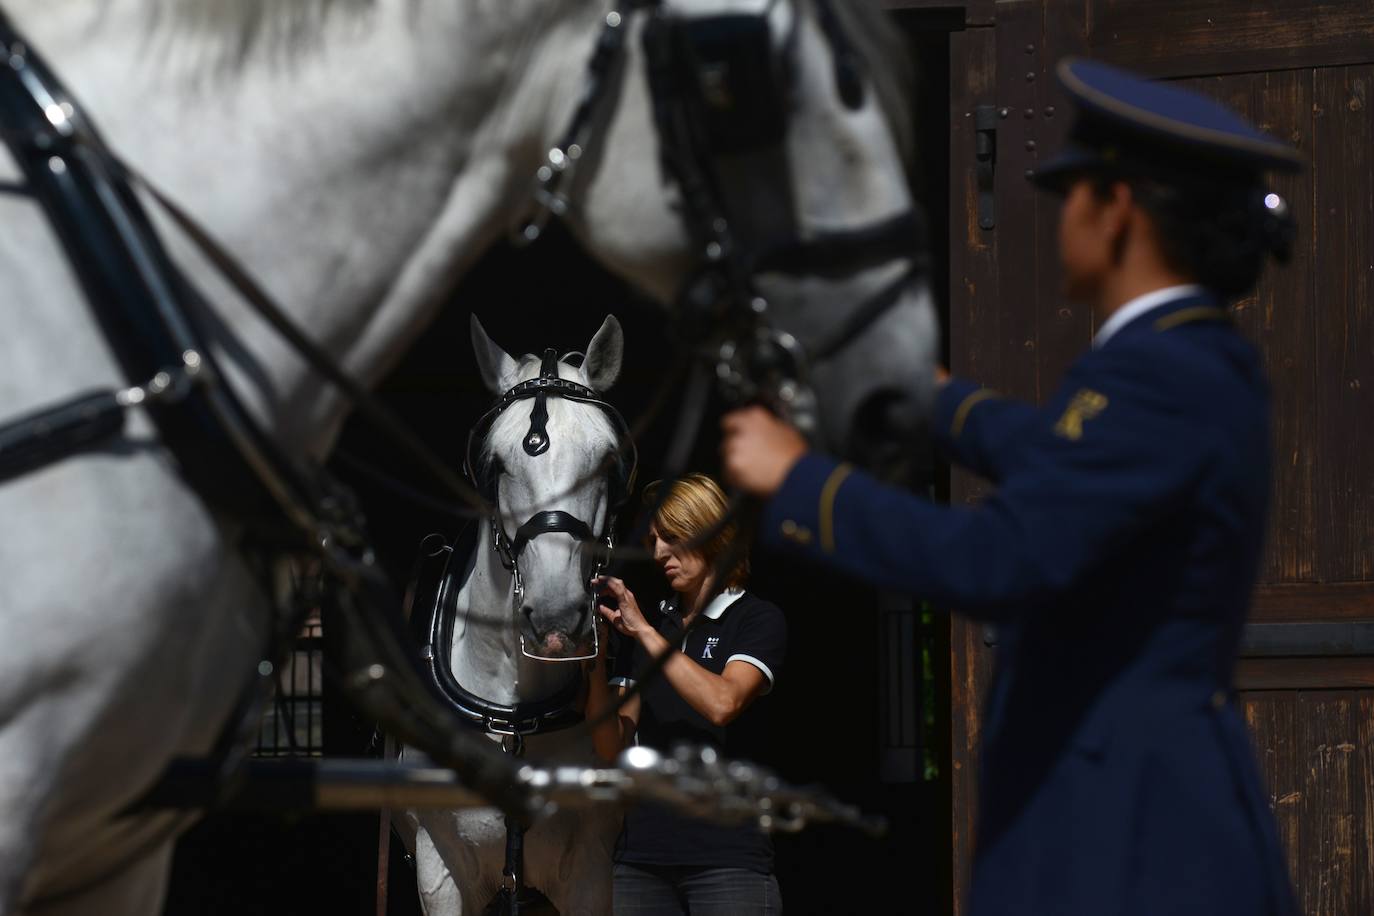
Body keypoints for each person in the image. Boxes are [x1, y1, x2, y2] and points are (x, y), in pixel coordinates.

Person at [720, 57, 1301, 916]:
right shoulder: (1184, 358)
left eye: (1073, 193)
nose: (1059, 215)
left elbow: (1000, 557)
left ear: (1118, 211)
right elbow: (1066, 466)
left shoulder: (1163, 371)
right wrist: (927, 392)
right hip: (1125, 807)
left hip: (1132, 837)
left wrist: (802, 480)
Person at [585, 472, 787, 915]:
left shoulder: (755, 619)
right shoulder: (650, 629)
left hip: (729, 862)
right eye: (654, 540)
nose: (658, 553)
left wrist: (642, 632)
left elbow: (723, 704)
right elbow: (610, 748)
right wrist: (595, 657)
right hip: (639, 862)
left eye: (672, 537)